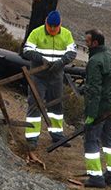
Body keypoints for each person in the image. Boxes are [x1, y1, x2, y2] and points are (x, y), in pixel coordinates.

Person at [22, 10, 77, 149]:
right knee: (35, 104)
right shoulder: (36, 33)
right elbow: (27, 50)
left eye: (55, 27)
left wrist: (61, 61)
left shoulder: (66, 34)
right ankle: (32, 138)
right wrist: (41, 59)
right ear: (46, 23)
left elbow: (72, 52)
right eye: (50, 26)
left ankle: (57, 136)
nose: (52, 29)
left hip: (56, 77)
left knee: (56, 105)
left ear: (59, 25)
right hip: (38, 76)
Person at [82, 29, 111, 188]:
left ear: (95, 43)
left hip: (99, 108)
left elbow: (94, 91)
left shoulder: (95, 61)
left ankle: (96, 177)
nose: (86, 44)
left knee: (91, 141)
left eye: (87, 41)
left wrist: (91, 115)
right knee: (109, 141)